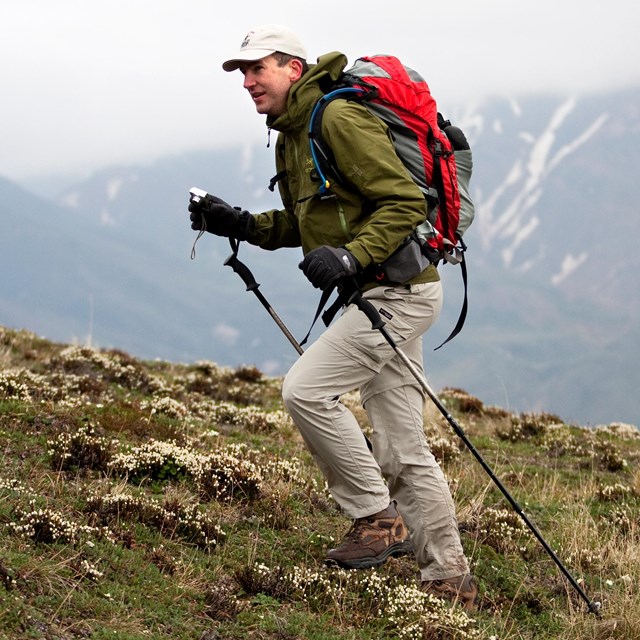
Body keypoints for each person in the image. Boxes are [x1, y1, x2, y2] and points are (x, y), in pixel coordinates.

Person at [188, 24, 478, 611]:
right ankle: (449, 578)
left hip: (398, 294)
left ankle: (377, 517)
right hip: (380, 294)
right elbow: (310, 222)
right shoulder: (292, 135)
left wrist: (352, 256)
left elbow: (403, 200)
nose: (247, 82)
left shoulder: (335, 120)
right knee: (402, 446)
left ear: (293, 68)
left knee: (304, 391)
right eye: (241, 73)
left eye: (258, 68)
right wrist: (241, 223)